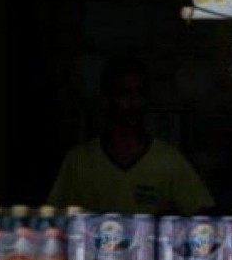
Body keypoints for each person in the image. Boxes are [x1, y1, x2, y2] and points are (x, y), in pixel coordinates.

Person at [47, 56, 214, 215]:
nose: (133, 101)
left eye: (139, 93)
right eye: (124, 93)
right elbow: (54, 219)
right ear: (107, 99)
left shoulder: (168, 160)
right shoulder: (80, 160)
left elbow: (202, 212)